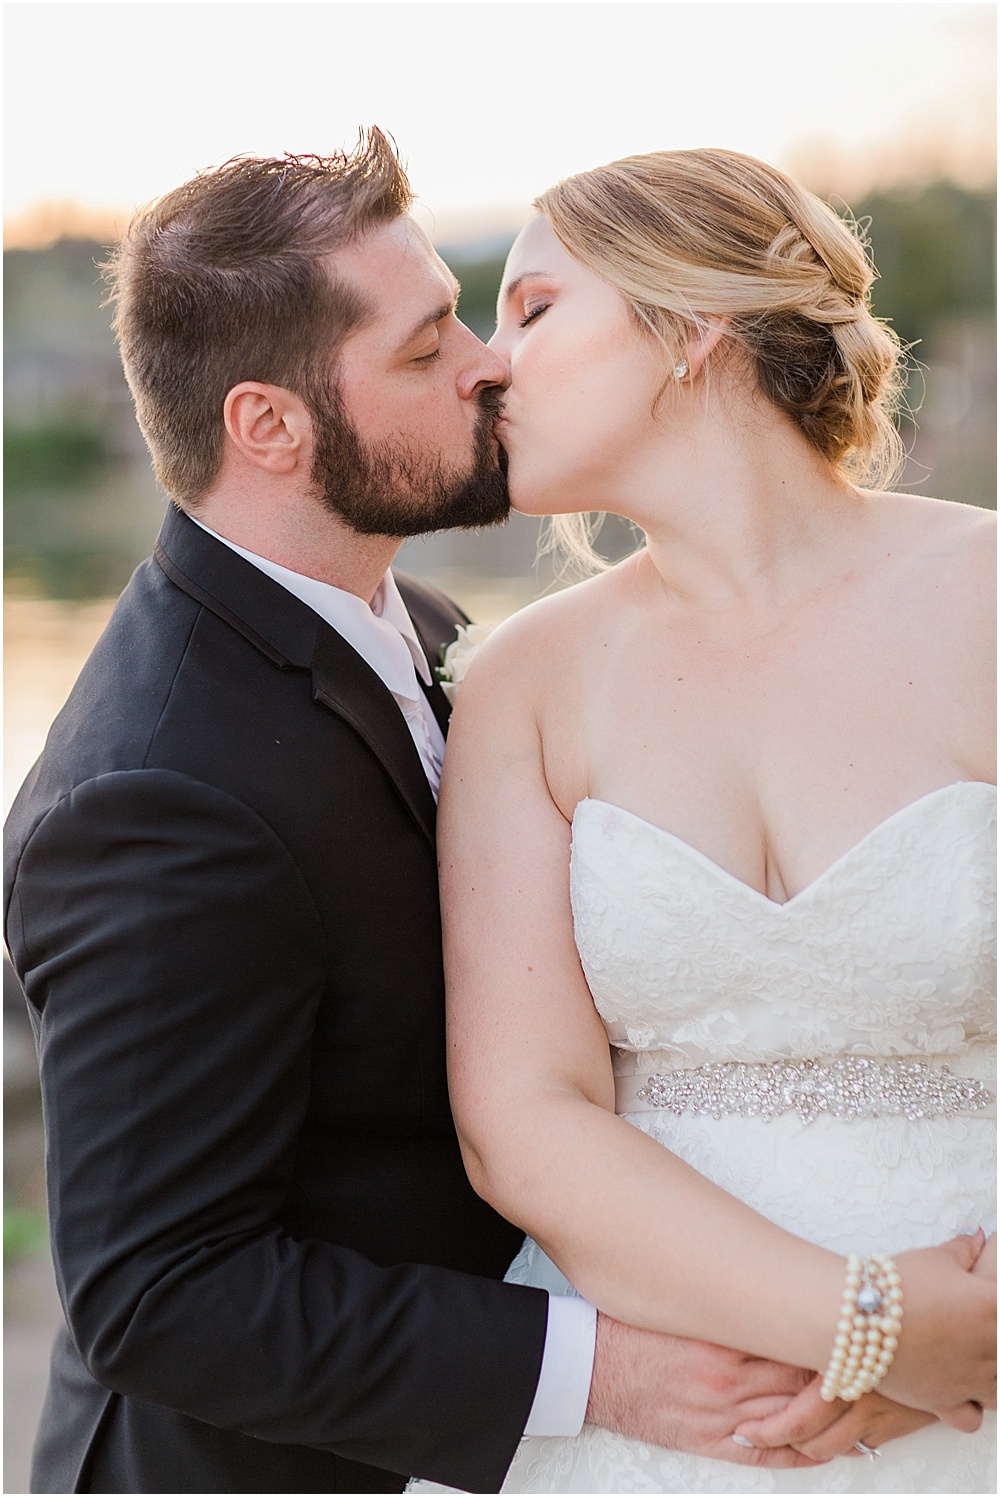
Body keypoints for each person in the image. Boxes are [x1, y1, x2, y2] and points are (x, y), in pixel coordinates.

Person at [2, 134, 833, 1496]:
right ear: (268, 425)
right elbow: (159, 1292)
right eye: (425, 346)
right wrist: (606, 1368)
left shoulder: (423, 627)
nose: (487, 364)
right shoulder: (154, 795)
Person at [419, 148, 997, 1494]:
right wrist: (869, 1327)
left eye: (535, 309)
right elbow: (523, 1114)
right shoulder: (524, 683)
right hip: (680, 1403)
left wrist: (969, 1342)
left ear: (691, 325)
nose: (490, 365)